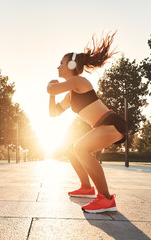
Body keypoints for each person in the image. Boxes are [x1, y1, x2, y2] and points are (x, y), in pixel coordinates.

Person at [47, 33, 126, 213]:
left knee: (80, 148)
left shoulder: (79, 82)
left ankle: (106, 199)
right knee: (72, 149)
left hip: (112, 123)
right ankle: (86, 188)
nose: (58, 66)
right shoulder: (70, 93)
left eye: (61, 63)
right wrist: (52, 94)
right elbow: (53, 113)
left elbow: (52, 87)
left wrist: (51, 88)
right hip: (103, 125)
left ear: (72, 65)